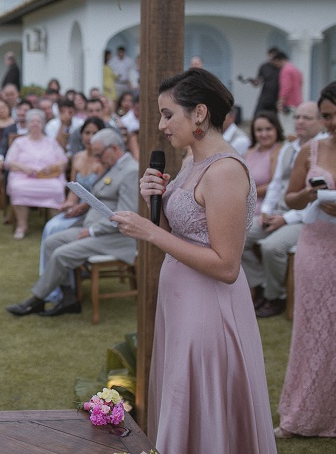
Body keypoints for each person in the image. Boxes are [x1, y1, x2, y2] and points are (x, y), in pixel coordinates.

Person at [111, 68, 276, 453]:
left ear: (199, 113)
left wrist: (151, 232)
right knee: (182, 397)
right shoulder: (191, 162)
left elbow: (226, 265)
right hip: (181, 302)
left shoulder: (224, 172)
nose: (162, 125)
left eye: (169, 115)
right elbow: (185, 233)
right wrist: (158, 202)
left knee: (205, 403)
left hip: (209, 309)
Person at [6, 129, 138, 316]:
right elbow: (105, 198)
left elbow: (126, 215)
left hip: (115, 238)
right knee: (51, 242)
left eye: (99, 154)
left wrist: (92, 231)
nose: (97, 159)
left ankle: (36, 300)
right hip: (93, 228)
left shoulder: (130, 171)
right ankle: (69, 299)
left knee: (61, 254)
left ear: (114, 148)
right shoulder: (114, 167)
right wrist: (84, 206)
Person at [276, 81, 336, 439]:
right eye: (326, 116)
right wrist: (311, 194)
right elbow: (290, 199)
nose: (331, 122)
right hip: (316, 243)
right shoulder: (311, 150)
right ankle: (301, 414)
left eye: (333, 115)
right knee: (312, 330)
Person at [241, 102, 323, 318]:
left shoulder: (323, 149)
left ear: (321, 121)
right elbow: (277, 184)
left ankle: (275, 297)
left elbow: (318, 198)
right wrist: (267, 211)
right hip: (279, 212)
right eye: (297, 117)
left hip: (306, 218)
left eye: (307, 118)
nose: (300, 122)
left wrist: (285, 219)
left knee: (271, 247)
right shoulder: (289, 148)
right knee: (239, 237)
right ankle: (259, 285)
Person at [35, 117, 106, 304]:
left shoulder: (104, 161)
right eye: (87, 133)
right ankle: (52, 285)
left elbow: (103, 197)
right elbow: (74, 192)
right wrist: (68, 204)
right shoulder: (77, 157)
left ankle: (65, 286)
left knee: (58, 231)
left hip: (93, 211)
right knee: (50, 226)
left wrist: (81, 207)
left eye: (94, 133)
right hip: (77, 207)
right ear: (81, 135)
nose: (90, 137)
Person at [4, 110, 68, 239]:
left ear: (43, 124)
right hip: (24, 177)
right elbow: (8, 162)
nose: (35, 124)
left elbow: (63, 161)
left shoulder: (51, 142)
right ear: (27, 124)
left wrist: (52, 167)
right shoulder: (19, 142)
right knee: (18, 189)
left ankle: (53, 227)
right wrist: (23, 167)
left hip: (47, 178)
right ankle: (22, 226)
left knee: (56, 189)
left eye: (38, 121)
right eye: (32, 121)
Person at [243, 110, 284, 201]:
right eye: (259, 130)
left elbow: (275, 185)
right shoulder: (249, 152)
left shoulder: (280, 151)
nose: (264, 134)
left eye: (268, 129)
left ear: (277, 129)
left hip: (265, 208)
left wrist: (247, 195)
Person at [240, 47, 281, 118]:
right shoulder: (264, 67)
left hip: (276, 98)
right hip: (265, 98)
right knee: (257, 116)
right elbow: (258, 81)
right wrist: (253, 82)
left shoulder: (281, 68)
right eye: (270, 56)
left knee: (274, 119)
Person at [272, 50, 302, 135]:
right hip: (297, 103)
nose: (276, 66)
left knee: (286, 129)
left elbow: (286, 88)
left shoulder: (285, 71)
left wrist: (280, 103)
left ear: (279, 60)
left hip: (288, 105)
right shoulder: (296, 70)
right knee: (294, 128)